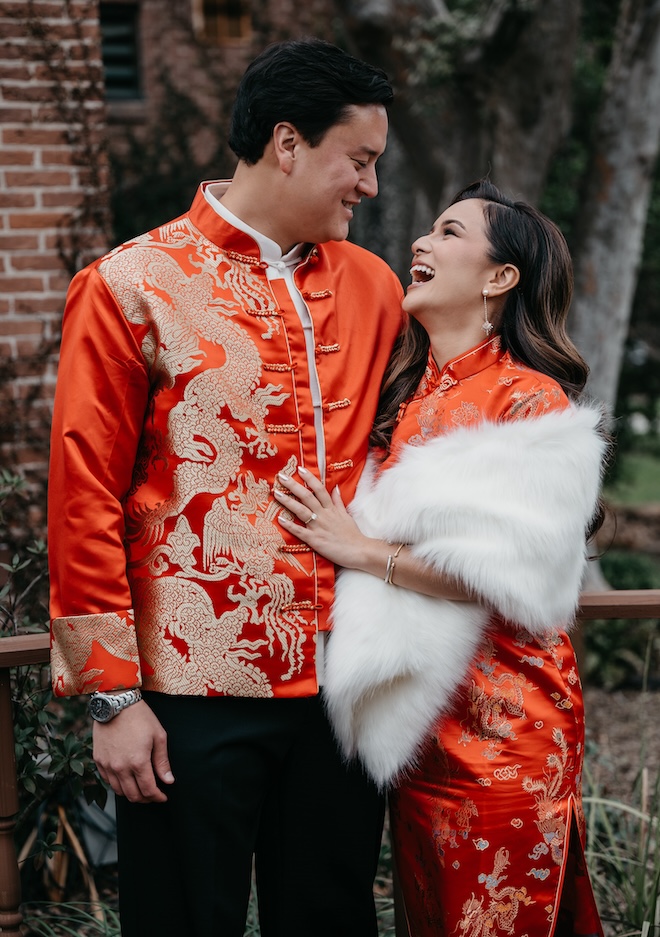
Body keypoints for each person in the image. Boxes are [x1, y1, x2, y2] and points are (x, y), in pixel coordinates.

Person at [47, 38, 404, 937]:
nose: (370, 186)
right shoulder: (129, 285)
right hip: (184, 696)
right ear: (288, 143)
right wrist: (113, 699)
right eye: (358, 161)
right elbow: (82, 493)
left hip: (342, 692)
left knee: (330, 919)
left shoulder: (375, 287)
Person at [273, 179, 606, 936]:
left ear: (499, 277)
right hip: (417, 728)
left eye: (449, 233)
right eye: (427, 231)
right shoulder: (400, 399)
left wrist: (360, 549)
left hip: (507, 727)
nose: (421, 243)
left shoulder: (533, 406)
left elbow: (505, 574)